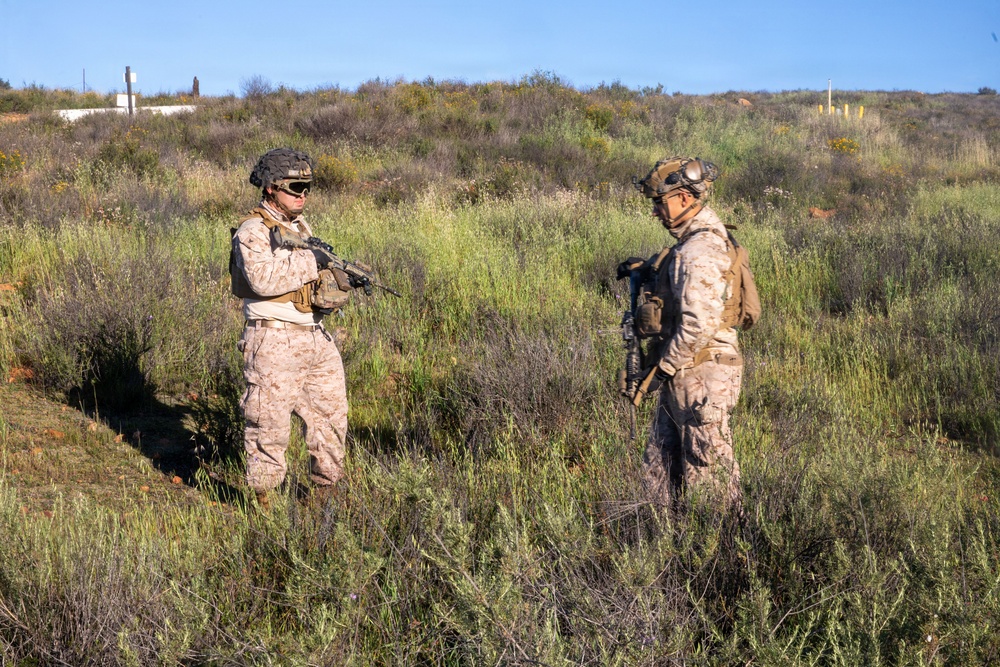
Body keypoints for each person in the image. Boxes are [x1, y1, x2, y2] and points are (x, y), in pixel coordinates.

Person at [621, 157, 754, 509]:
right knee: (660, 471)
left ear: (682, 197)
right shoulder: (691, 245)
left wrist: (661, 369)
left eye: (659, 203)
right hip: (686, 370)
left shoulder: (699, 250)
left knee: (708, 477)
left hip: (702, 374)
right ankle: (660, 542)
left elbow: (699, 324)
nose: (656, 212)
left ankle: (721, 555)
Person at [231, 148, 354, 506]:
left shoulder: (299, 227)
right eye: (294, 187)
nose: (302, 195)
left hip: (314, 336)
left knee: (331, 419)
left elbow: (304, 280)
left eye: (307, 188)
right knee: (268, 425)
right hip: (273, 339)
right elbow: (262, 280)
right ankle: (263, 504)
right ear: (270, 188)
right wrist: (311, 260)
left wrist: (336, 281)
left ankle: (325, 497)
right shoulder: (252, 230)